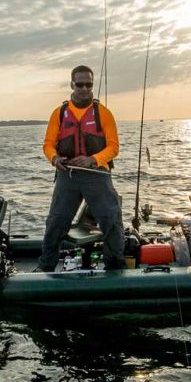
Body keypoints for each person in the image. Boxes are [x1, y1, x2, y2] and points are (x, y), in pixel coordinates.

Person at [36, 65, 125, 272]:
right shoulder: (59, 114)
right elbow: (48, 144)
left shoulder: (103, 113)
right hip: (67, 176)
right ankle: (45, 267)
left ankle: (116, 268)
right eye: (80, 84)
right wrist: (54, 158)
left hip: (97, 175)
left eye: (89, 84)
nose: (84, 88)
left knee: (111, 221)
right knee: (56, 223)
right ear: (72, 85)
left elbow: (113, 147)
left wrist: (93, 159)